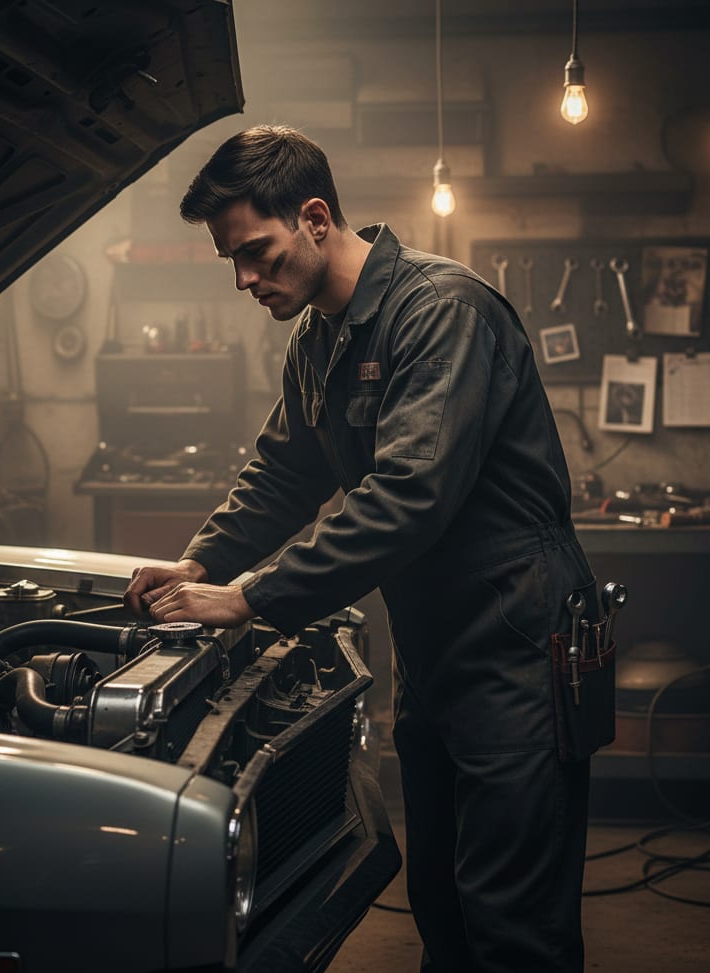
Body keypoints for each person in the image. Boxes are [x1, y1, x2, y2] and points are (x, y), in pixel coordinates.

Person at [124, 125, 602, 972]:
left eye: (257, 252)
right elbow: (282, 473)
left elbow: (407, 500)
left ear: (315, 218)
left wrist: (249, 597)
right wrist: (202, 562)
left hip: (519, 651)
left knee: (512, 924)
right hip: (437, 654)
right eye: (231, 261)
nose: (243, 278)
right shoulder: (320, 341)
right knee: (444, 907)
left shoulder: (441, 311)